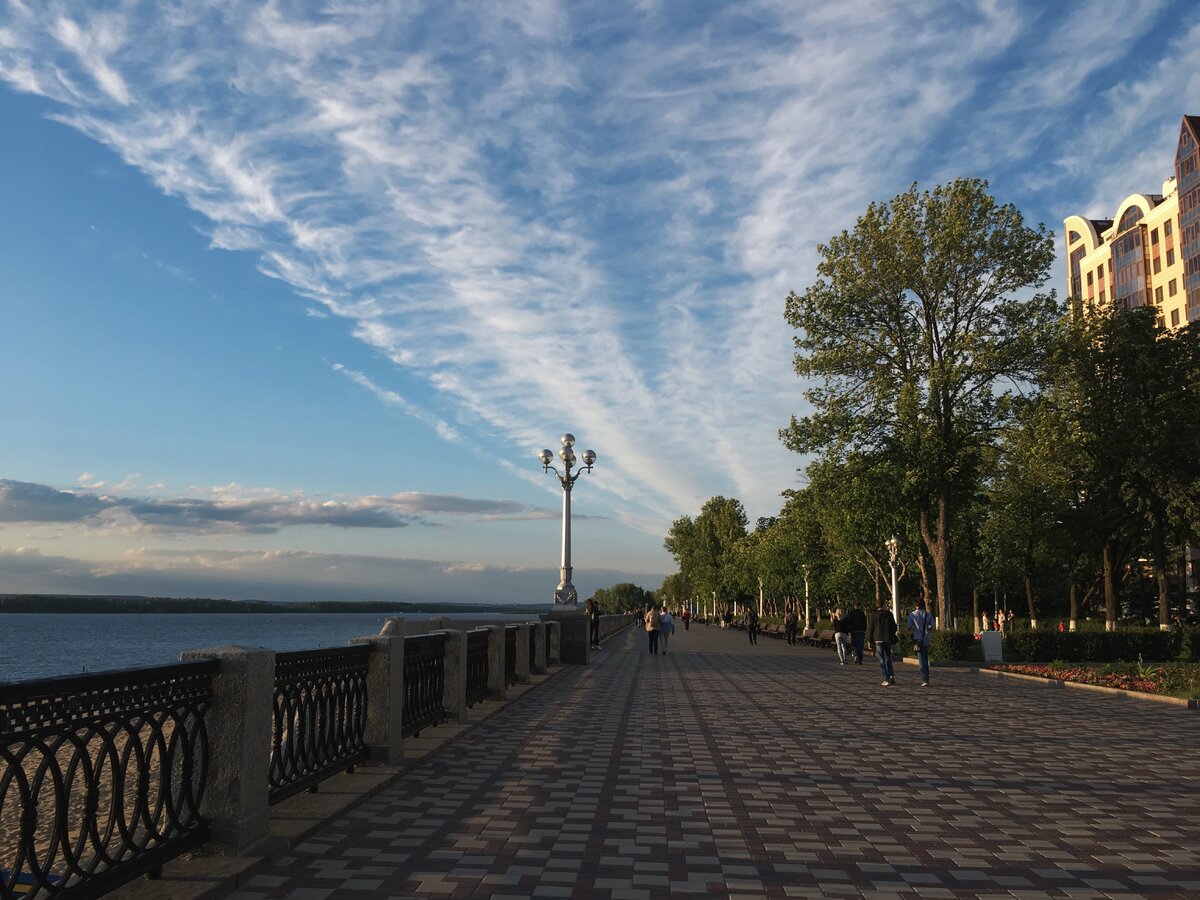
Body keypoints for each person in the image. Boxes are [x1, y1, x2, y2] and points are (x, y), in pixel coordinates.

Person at [868, 598, 898, 686]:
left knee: (881, 659)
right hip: (887, 638)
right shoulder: (889, 614)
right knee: (888, 657)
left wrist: (870, 639)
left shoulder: (873, 615)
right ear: (883, 604)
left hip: (878, 639)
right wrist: (891, 634)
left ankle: (886, 678)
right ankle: (891, 675)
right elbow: (894, 626)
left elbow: (871, 628)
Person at [906, 598, 935, 687]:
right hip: (926, 638)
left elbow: (909, 626)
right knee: (925, 658)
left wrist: (915, 629)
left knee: (921, 660)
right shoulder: (928, 614)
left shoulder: (912, 614)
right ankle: (927, 677)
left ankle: (925, 679)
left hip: (917, 639)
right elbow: (933, 626)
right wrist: (927, 629)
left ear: (916, 605)